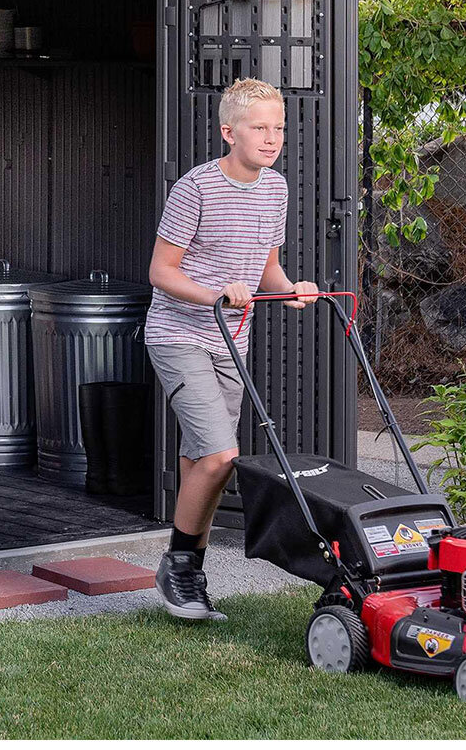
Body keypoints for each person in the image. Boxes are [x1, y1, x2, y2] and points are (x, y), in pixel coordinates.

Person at [145, 77, 319, 620]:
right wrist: (214, 293)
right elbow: (160, 271)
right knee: (222, 455)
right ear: (229, 132)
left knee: (203, 458)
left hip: (229, 340)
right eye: (259, 128)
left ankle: (184, 575)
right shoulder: (195, 189)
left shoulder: (276, 189)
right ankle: (180, 570)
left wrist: (291, 290)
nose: (272, 139)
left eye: (279, 129)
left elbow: (266, 269)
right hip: (178, 335)